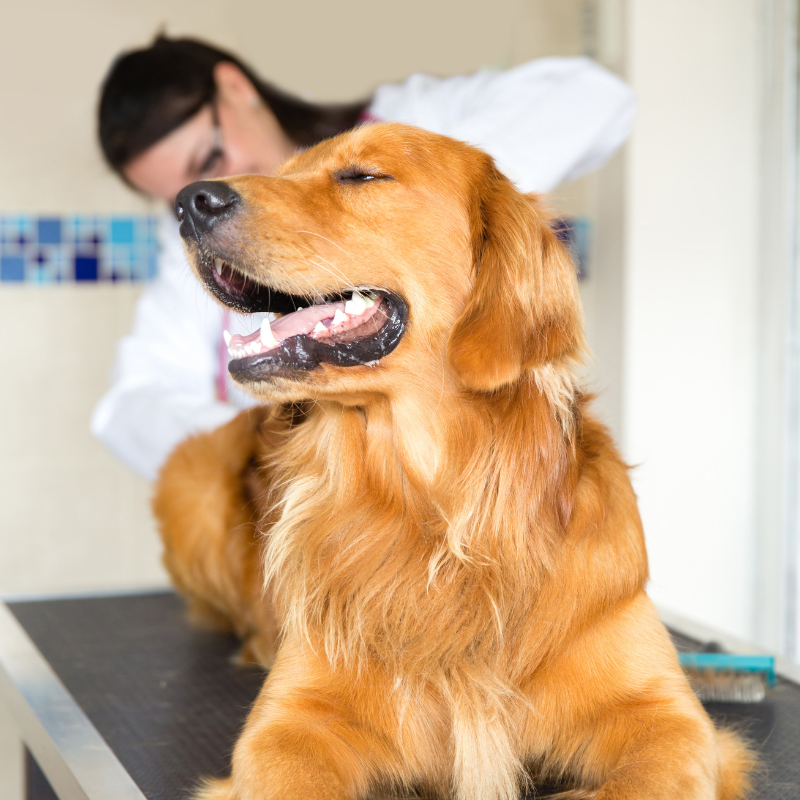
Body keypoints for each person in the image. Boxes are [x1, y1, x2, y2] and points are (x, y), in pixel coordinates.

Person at [91, 35, 635, 480]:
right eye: (180, 196)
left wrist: (418, 185)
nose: (213, 194)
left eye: (210, 157)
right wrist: (270, 452)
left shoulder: (411, 118)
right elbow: (130, 404)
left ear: (235, 87)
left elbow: (596, 96)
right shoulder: (181, 256)